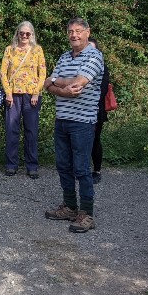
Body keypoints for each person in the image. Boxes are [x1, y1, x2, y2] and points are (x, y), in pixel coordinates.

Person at [43, 18, 104, 233]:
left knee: (81, 169)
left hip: (82, 122)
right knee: (63, 166)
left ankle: (87, 213)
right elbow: (46, 84)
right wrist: (62, 87)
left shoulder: (95, 56)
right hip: (62, 120)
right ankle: (69, 207)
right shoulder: (64, 56)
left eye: (78, 31)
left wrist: (57, 82)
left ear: (88, 32)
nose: (74, 35)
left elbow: (77, 83)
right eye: (70, 31)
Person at [0, 21, 46, 178]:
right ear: (17, 34)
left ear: (32, 34)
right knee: (11, 130)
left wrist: (36, 92)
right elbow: (2, 73)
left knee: (31, 131)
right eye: (22, 33)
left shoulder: (37, 50)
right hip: (13, 96)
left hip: (31, 96)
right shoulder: (9, 50)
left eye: (28, 33)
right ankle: (11, 164)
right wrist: (7, 92)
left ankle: (31, 165)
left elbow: (43, 73)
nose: (25, 36)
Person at [88, 38, 110, 184]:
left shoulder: (102, 67)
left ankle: (97, 171)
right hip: (79, 110)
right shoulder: (78, 65)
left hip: (96, 110)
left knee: (95, 140)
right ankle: (81, 169)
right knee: (80, 142)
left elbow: (102, 91)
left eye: (92, 48)